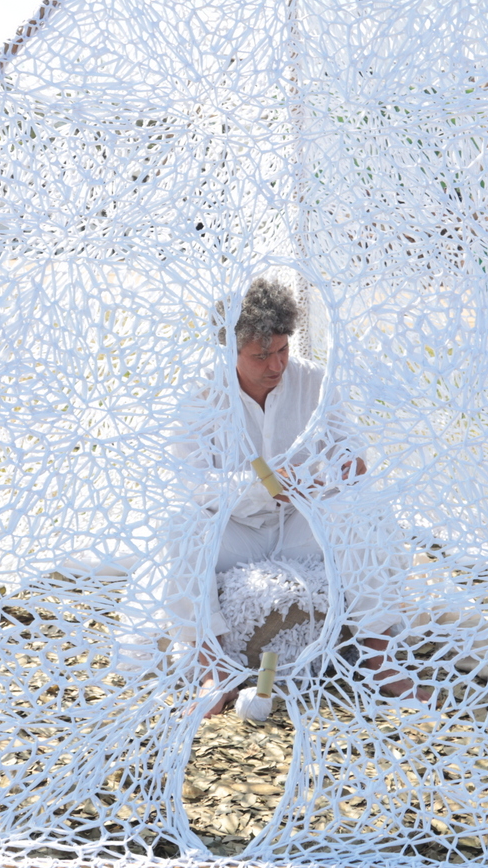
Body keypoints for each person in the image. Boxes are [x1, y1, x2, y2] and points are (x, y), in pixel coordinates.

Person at [171, 277, 425, 714]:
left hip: (301, 527)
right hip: (234, 533)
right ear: (228, 353)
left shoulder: (314, 382)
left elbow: (354, 457)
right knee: (179, 520)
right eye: (261, 355)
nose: (276, 365)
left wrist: (330, 473)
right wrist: (259, 485)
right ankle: (212, 665)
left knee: (367, 510)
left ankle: (378, 655)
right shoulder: (199, 395)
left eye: (283, 350)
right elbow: (190, 482)